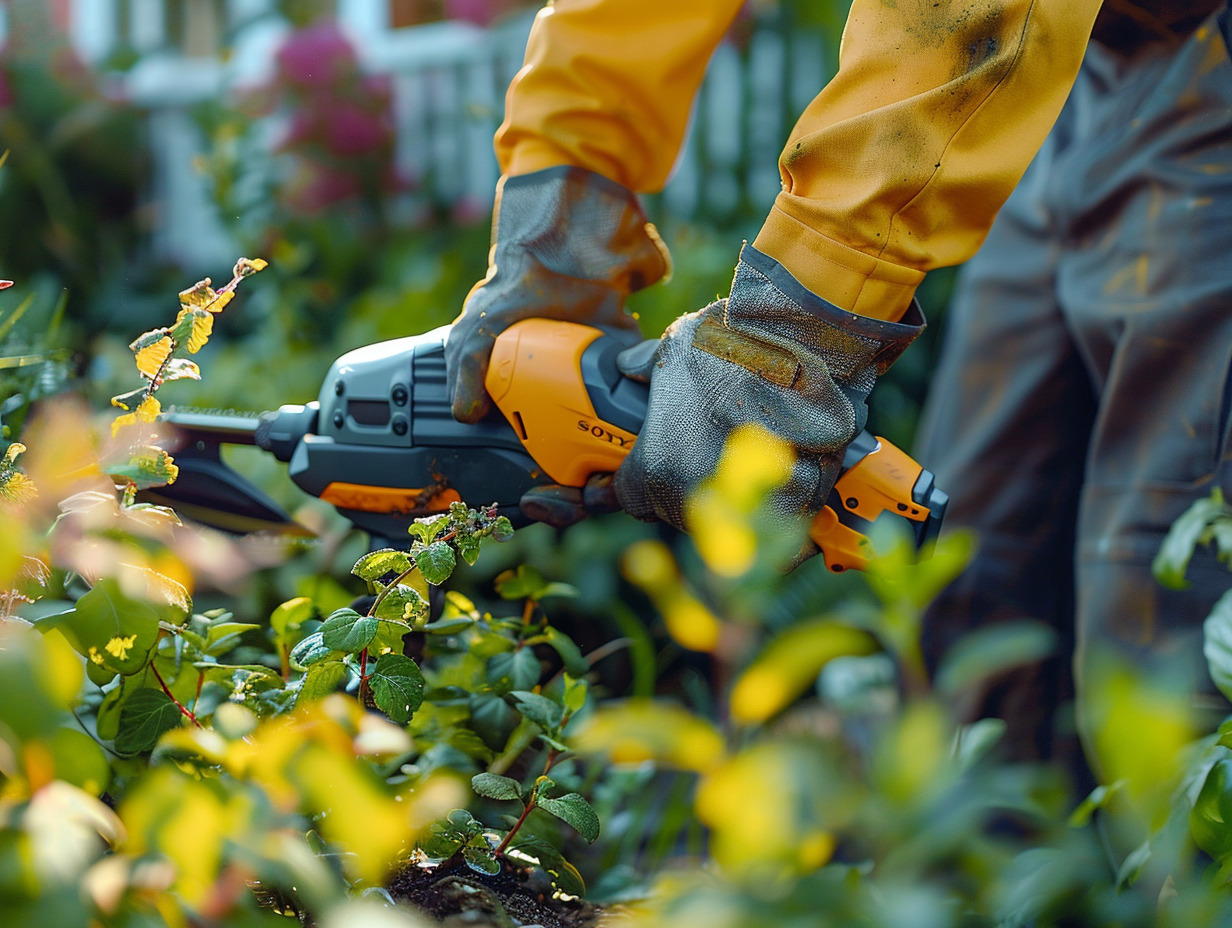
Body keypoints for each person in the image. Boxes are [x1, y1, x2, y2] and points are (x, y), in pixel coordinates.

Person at [444, 0, 1231, 772]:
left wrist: (796, 328)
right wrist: (562, 211)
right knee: (971, 585)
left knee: (1165, 604)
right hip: (1066, 65)